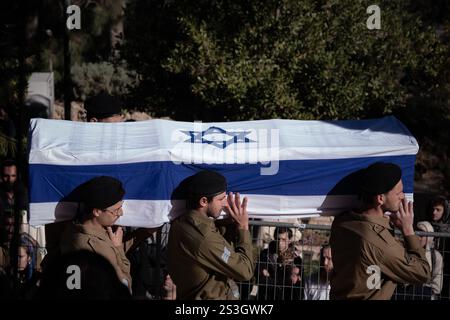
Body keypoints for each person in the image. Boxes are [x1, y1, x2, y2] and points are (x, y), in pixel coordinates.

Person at [330, 162, 431, 300]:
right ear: (380, 198)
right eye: (399, 192)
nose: (403, 197)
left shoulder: (342, 221)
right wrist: (408, 230)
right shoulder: (380, 244)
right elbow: (423, 272)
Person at [167, 170, 254, 300]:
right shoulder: (204, 237)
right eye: (221, 199)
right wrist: (243, 227)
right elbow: (245, 270)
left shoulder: (182, 222)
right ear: (203, 201)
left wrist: (229, 222)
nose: (225, 203)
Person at [60, 176, 132, 291]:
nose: (121, 213)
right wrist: (118, 248)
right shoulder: (92, 246)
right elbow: (124, 285)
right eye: (116, 210)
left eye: (121, 207)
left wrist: (144, 233)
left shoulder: (75, 228)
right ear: (97, 211)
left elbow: (109, 246)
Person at [256, 227, 303, 300]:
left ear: (289, 241)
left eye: (284, 240)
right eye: (278, 239)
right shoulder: (265, 254)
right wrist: (284, 281)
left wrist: (270, 277)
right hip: (266, 296)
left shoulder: (297, 260)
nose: (280, 243)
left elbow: (298, 284)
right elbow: (260, 279)